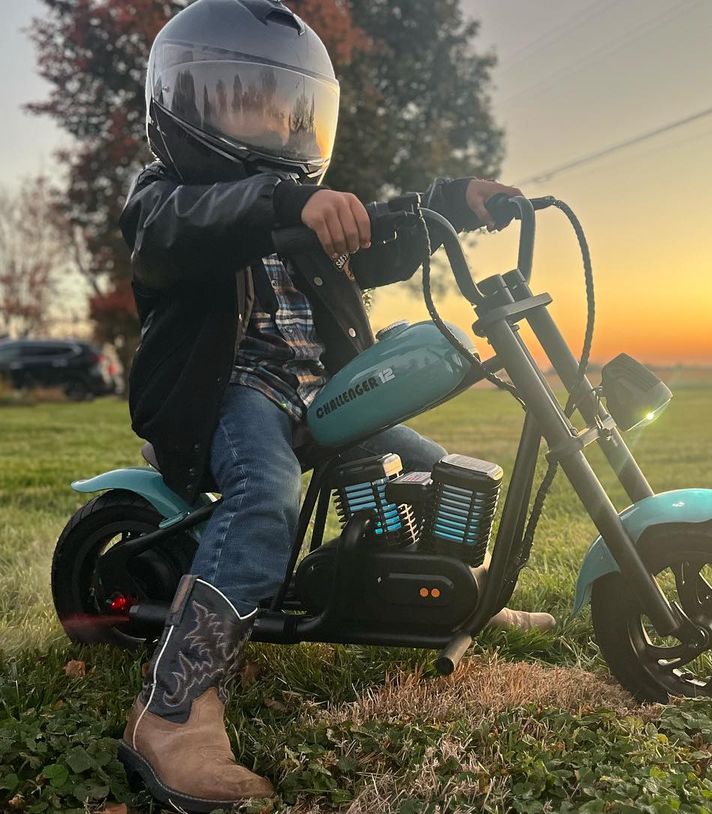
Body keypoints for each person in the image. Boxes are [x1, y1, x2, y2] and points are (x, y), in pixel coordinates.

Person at [116, 1, 553, 809]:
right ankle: (173, 709)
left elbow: (377, 236)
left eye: (285, 107)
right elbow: (193, 224)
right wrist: (287, 207)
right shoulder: (164, 200)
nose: (272, 122)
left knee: (430, 465)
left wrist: (453, 202)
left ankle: (462, 599)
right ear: (187, 104)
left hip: (318, 395)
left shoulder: (300, 209)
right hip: (231, 397)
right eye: (244, 102)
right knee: (266, 497)